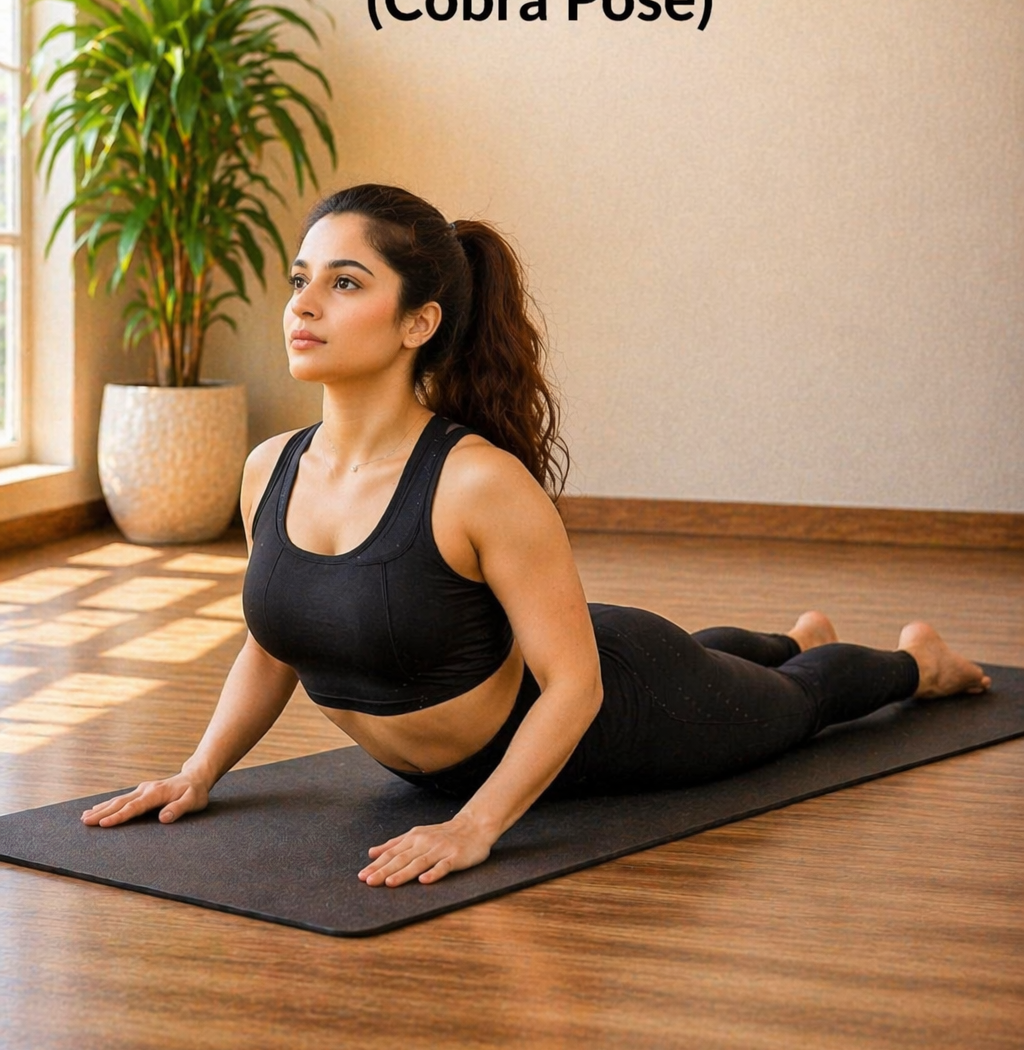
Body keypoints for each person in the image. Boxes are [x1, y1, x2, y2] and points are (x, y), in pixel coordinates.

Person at [82, 184, 991, 887]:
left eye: (344, 282)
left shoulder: (476, 480)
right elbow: (279, 636)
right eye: (300, 280)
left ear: (419, 322)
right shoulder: (268, 467)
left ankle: (920, 662)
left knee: (793, 711)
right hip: (515, 710)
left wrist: (477, 827)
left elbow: (577, 685)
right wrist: (200, 771)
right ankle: (791, 638)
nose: (304, 304)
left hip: (613, 713)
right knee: (737, 666)